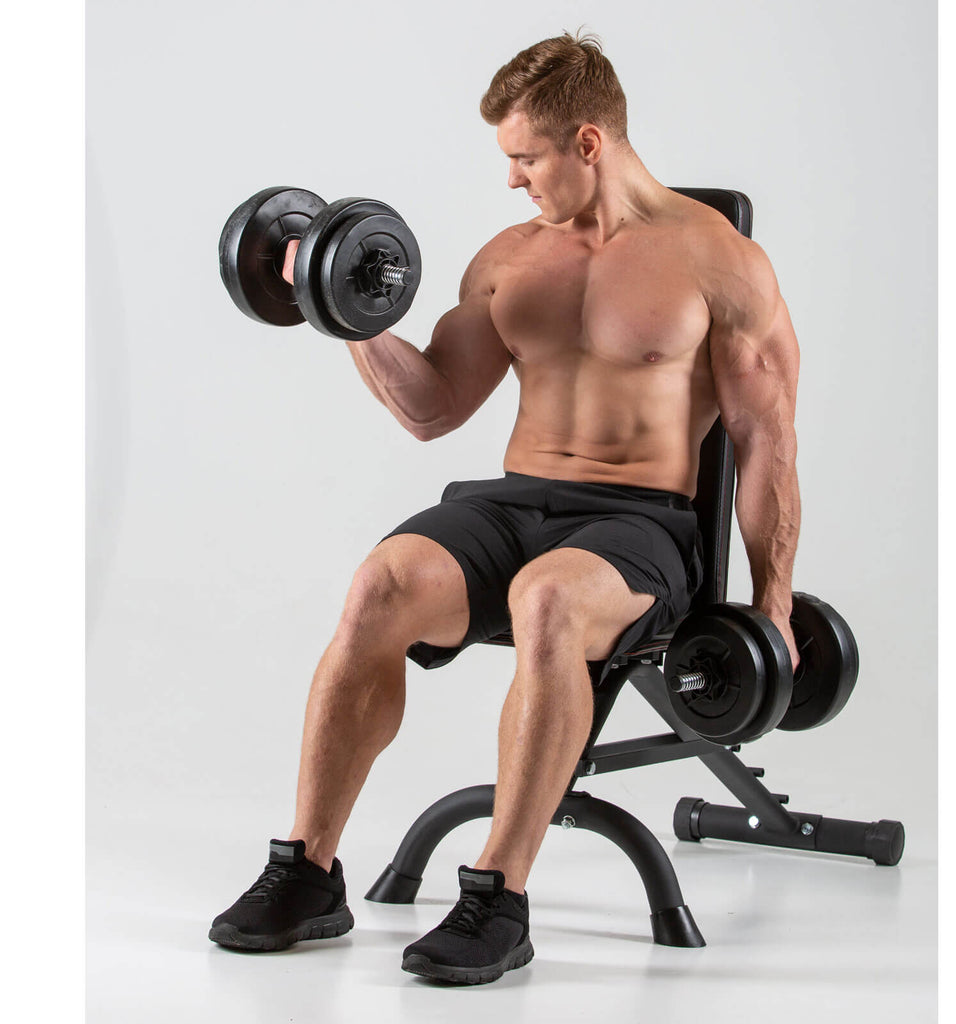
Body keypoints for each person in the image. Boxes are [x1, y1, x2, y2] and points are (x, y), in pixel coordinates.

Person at [210, 31, 801, 985]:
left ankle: (498, 896)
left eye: (525, 158)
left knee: (549, 601)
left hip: (641, 526)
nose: (514, 180)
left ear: (589, 142)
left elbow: (768, 440)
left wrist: (772, 607)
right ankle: (309, 872)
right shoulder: (509, 258)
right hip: (515, 501)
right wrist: (343, 307)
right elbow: (434, 407)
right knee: (380, 585)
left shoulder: (718, 260)